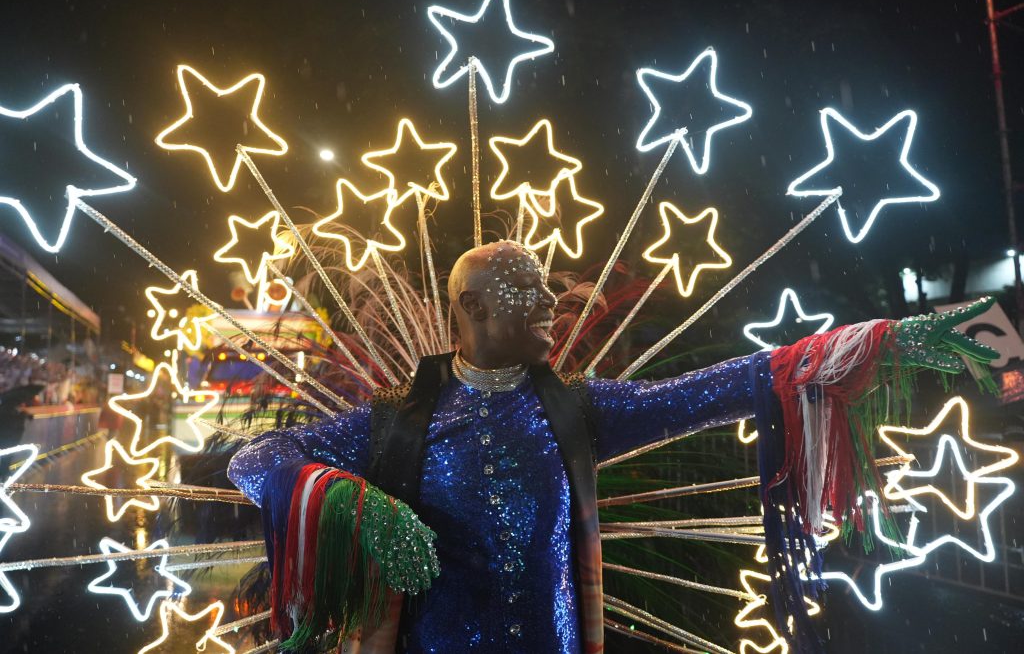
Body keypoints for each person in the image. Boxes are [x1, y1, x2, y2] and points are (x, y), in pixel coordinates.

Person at [228, 240, 995, 654]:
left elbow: (709, 389)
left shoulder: (575, 409)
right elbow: (255, 458)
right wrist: (358, 507)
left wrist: (871, 342)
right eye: (528, 289)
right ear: (472, 304)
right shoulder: (397, 421)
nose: (551, 301)